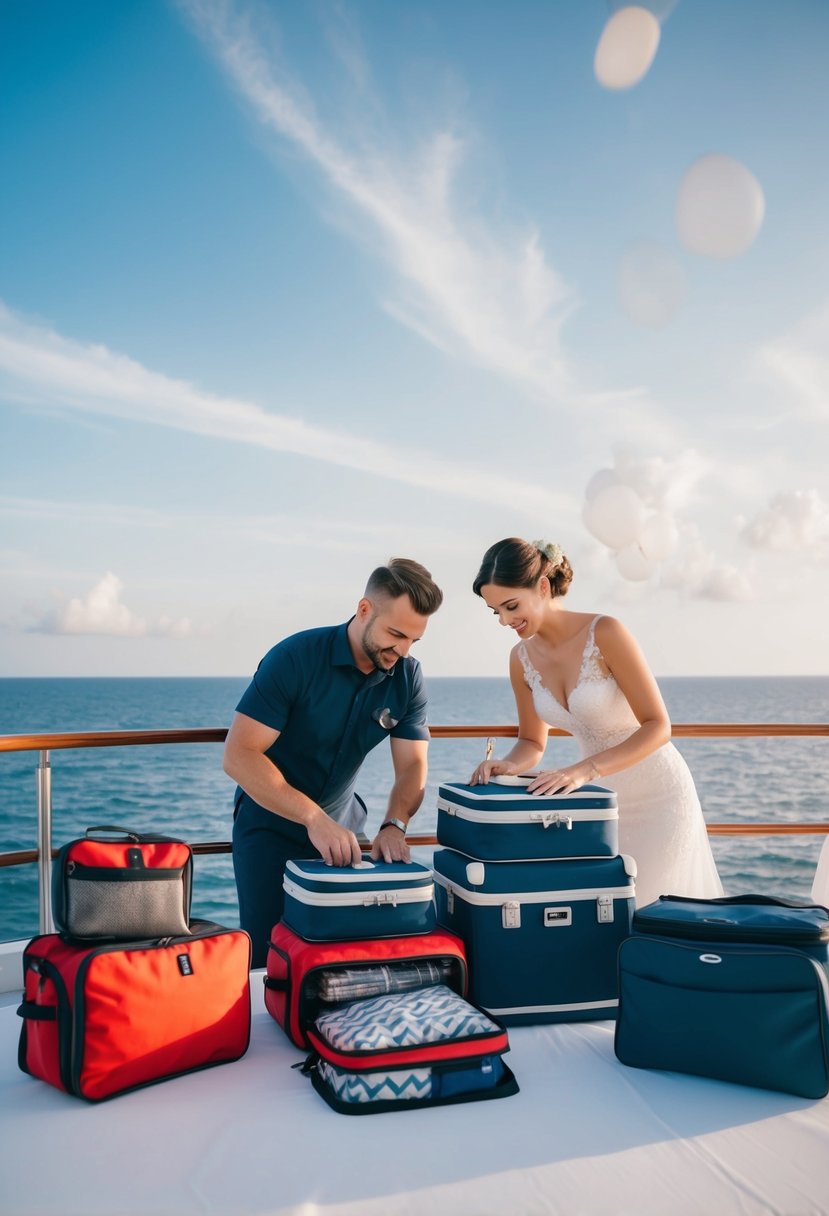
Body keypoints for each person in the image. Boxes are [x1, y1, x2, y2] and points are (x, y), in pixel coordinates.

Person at [469, 536, 723, 907]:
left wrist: (583, 771)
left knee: (652, 916)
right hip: (600, 807)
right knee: (605, 920)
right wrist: (507, 765)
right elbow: (533, 742)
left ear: (542, 586)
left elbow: (658, 725)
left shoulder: (606, 632)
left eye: (510, 606)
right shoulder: (519, 658)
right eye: (496, 612)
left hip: (659, 797)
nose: (505, 620)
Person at [224, 558, 443, 967]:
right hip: (268, 827)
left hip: (344, 832)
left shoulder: (408, 677)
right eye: (395, 634)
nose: (403, 650)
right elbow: (239, 755)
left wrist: (395, 824)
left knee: (339, 958)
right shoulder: (294, 658)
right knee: (265, 961)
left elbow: (413, 766)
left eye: (414, 639)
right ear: (364, 610)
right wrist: (312, 818)